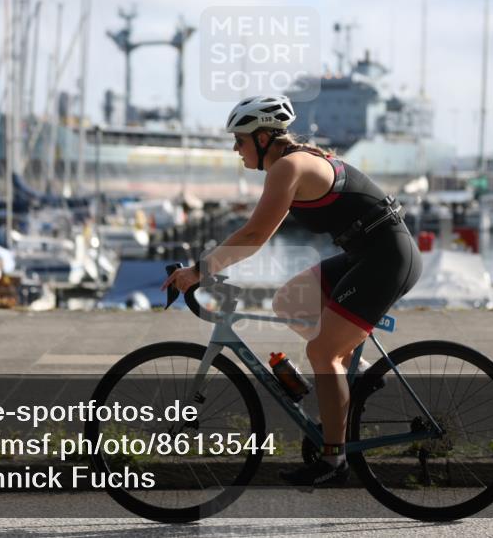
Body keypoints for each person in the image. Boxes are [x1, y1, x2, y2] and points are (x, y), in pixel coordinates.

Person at [162, 94, 422, 486]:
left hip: (387, 259)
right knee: (288, 300)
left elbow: (253, 235)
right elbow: (252, 234)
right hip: (366, 254)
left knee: (322, 351)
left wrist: (199, 270)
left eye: (240, 140)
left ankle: (334, 463)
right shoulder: (293, 161)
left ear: (264, 137)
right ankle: (360, 375)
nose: (236, 149)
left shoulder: (289, 166)